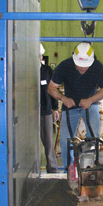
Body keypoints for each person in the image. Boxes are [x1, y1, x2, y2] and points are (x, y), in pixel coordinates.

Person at [48, 42, 103, 169]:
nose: (82, 69)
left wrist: (90, 100)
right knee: (65, 140)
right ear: (73, 59)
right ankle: (69, 169)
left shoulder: (97, 67)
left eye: (86, 66)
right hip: (70, 107)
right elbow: (51, 88)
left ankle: (90, 167)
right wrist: (63, 98)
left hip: (90, 105)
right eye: (79, 66)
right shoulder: (64, 66)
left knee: (93, 137)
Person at [40, 44, 59, 173]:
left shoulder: (47, 70)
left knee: (48, 140)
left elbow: (53, 90)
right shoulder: (24, 70)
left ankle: (52, 167)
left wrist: (55, 108)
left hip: (45, 110)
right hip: (28, 112)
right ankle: (30, 168)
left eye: (39, 56)